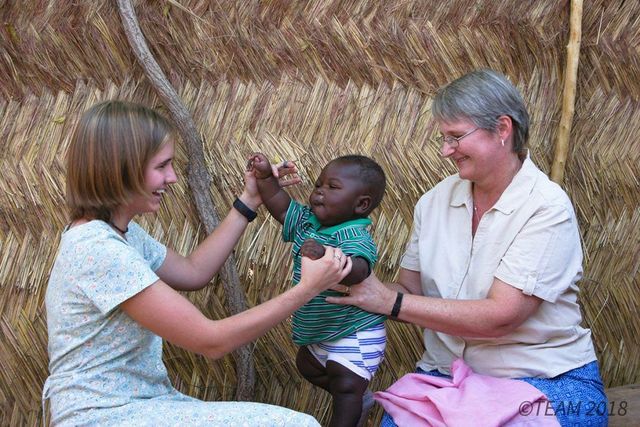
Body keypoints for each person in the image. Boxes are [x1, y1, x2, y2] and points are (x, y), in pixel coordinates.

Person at [42, 100, 353, 427]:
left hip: (142, 406)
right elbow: (211, 341)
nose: (173, 177)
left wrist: (249, 202)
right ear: (120, 168)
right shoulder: (99, 250)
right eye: (161, 166)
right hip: (103, 416)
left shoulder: (122, 235)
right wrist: (307, 289)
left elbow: (194, 272)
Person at [326, 69, 607, 426]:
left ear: (502, 129)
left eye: (456, 137)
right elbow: (411, 290)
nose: (445, 151)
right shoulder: (434, 202)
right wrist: (353, 282)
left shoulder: (546, 207)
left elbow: (501, 316)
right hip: (447, 379)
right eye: (443, 138)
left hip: (545, 379)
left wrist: (389, 302)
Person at [249, 153, 387, 427]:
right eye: (318, 185)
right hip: (321, 331)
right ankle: (358, 401)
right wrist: (265, 178)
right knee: (307, 366)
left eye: (332, 187)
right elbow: (280, 207)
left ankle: (351, 405)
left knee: (346, 385)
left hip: (356, 331)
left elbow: (360, 270)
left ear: (361, 204)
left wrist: (327, 255)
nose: (319, 192)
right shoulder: (308, 222)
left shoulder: (353, 236)